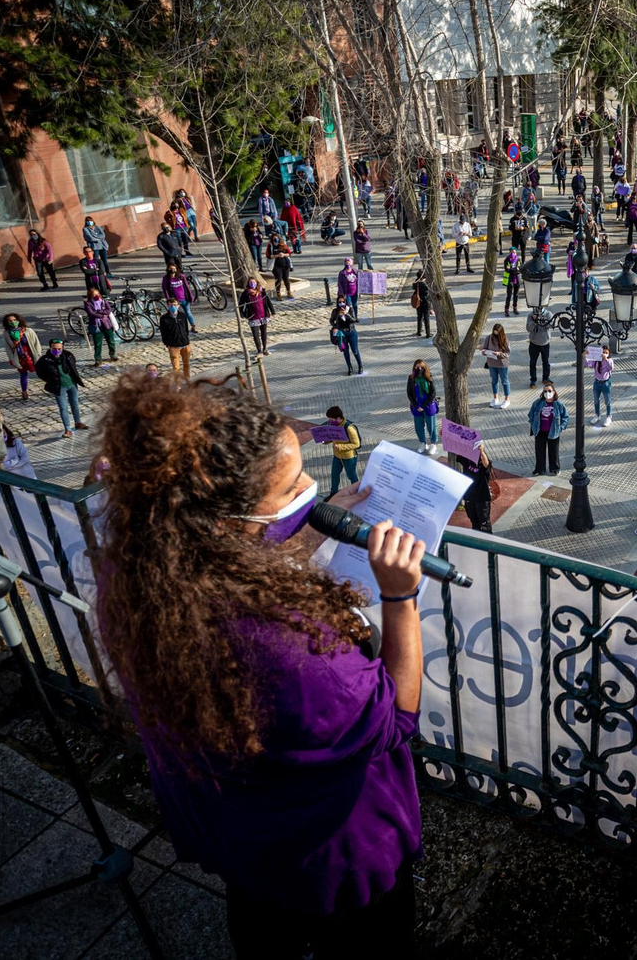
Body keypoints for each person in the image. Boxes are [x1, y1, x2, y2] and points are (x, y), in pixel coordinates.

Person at [92, 378, 427, 957]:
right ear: (227, 519)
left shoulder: (146, 572)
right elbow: (396, 718)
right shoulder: (296, 651)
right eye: (293, 485)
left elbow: (224, 564)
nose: (311, 489)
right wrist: (400, 598)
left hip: (238, 829)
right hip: (329, 852)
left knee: (260, 928)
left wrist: (292, 535)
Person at [36, 338, 86, 437]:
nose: (57, 351)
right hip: (59, 387)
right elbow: (39, 371)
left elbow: (73, 366)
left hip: (71, 384)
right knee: (63, 407)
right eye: (54, 349)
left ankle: (78, 422)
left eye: (59, 349)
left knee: (75, 403)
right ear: (50, 348)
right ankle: (67, 429)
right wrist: (49, 380)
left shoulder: (68, 355)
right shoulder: (45, 360)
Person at [0, 313, 41, 401]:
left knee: (40, 370)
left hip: (30, 354)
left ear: (18, 320)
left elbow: (36, 342)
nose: (13, 322)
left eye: (14, 320)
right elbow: (8, 347)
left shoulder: (28, 330)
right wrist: (11, 358)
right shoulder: (7, 333)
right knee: (23, 374)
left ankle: (51, 385)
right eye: (10, 321)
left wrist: (38, 354)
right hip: (19, 356)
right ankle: (24, 391)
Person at [323, 406, 363, 497]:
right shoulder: (333, 426)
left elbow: (356, 444)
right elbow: (333, 438)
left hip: (349, 457)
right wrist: (326, 441)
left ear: (338, 418)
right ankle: (333, 493)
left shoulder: (349, 428)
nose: (330, 421)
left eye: (332, 419)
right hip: (337, 456)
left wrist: (341, 446)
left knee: (351, 475)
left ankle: (357, 492)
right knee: (334, 474)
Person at [529, 383, 567, 475]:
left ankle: (554, 469)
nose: (547, 393)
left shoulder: (558, 404)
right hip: (540, 431)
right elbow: (531, 414)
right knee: (539, 451)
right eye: (545, 391)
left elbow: (565, 417)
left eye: (549, 391)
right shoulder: (538, 403)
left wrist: (560, 427)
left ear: (554, 392)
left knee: (554, 452)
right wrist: (533, 425)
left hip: (553, 432)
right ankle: (540, 469)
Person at [457, 445, 496, 534]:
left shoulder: (483, 465)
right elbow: (456, 449)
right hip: (469, 498)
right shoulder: (466, 461)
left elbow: (486, 464)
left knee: (484, 524)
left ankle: (487, 543)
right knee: (474, 523)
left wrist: (481, 451)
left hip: (481, 499)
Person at [405, 359, 441, 455]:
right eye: (417, 367)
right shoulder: (411, 378)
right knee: (419, 426)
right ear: (414, 367)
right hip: (416, 405)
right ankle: (423, 442)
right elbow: (409, 392)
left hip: (428, 405)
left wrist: (424, 405)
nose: (419, 369)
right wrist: (415, 404)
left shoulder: (429, 377)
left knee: (431, 426)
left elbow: (433, 393)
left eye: (421, 367)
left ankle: (433, 443)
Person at [238, 278, 275, 356]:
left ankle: (265, 348)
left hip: (263, 315)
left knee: (264, 333)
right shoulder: (246, 293)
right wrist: (241, 313)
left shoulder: (262, 292)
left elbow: (268, 302)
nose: (252, 284)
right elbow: (241, 304)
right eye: (251, 283)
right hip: (253, 317)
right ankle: (259, 350)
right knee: (255, 334)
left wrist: (272, 311)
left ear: (257, 283)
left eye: (254, 282)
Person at [84, 287, 119, 364]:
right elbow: (91, 313)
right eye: (94, 295)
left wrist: (99, 311)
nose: (96, 296)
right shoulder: (88, 303)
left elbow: (108, 310)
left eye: (97, 294)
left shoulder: (103, 301)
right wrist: (102, 315)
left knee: (111, 340)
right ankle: (98, 358)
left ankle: (112, 354)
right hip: (96, 325)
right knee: (97, 343)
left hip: (106, 324)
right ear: (90, 296)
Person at [159, 297, 193, 378]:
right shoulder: (164, 319)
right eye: (171, 305)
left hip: (185, 344)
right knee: (176, 367)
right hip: (174, 346)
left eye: (174, 305)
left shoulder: (182, 315)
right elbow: (163, 333)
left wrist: (186, 338)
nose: (173, 306)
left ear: (178, 306)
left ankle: (187, 380)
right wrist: (168, 345)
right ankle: (178, 385)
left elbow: (185, 328)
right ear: (168, 306)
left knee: (187, 364)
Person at [330, 297, 364, 377]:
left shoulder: (350, 309)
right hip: (342, 333)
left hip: (351, 332)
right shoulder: (335, 311)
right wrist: (335, 327)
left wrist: (346, 314)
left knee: (355, 350)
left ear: (346, 302)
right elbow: (331, 320)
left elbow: (354, 320)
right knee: (345, 351)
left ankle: (360, 365)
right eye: (339, 302)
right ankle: (349, 367)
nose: (341, 303)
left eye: (343, 302)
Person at [480, 324, 512, 408]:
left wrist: (499, 354)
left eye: (497, 332)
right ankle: (495, 398)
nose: (495, 333)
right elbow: (485, 348)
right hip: (491, 363)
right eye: (494, 331)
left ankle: (507, 399)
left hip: (502, 364)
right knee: (494, 381)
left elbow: (507, 353)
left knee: (504, 381)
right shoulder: (489, 338)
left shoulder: (505, 339)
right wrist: (484, 351)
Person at [162, 264, 199, 333]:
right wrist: (168, 299)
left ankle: (193, 326)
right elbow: (165, 289)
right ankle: (175, 328)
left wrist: (191, 297)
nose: (172, 270)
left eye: (174, 269)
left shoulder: (181, 276)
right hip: (174, 301)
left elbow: (187, 287)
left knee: (188, 313)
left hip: (184, 298)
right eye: (171, 269)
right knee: (174, 314)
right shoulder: (166, 278)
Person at [525, 304, 552, 387]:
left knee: (546, 361)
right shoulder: (530, 315)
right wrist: (534, 321)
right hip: (534, 343)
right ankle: (533, 380)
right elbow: (528, 329)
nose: (538, 310)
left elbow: (551, 325)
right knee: (533, 362)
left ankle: (546, 378)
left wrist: (543, 321)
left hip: (545, 342)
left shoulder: (548, 314)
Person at [591, 345, 615, 426]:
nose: (604, 354)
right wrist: (585, 355)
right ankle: (597, 415)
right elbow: (588, 364)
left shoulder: (610, 360)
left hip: (605, 383)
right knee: (596, 400)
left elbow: (611, 368)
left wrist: (606, 360)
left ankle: (609, 416)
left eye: (606, 353)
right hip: (597, 382)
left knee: (607, 401)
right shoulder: (597, 360)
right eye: (603, 352)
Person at [411, 271, 433, 340]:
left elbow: (413, 288)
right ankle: (428, 333)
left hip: (418, 302)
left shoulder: (416, 283)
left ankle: (419, 331)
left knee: (419, 317)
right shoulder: (426, 284)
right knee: (426, 317)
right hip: (426, 302)